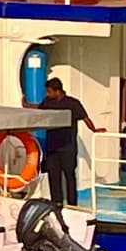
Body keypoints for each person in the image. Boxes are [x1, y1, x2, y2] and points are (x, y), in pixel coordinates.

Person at [27, 77, 103, 207]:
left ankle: (73, 204)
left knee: (69, 175)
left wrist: (94, 130)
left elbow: (85, 118)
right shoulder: (47, 102)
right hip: (52, 146)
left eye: (49, 91)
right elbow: (38, 109)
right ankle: (56, 202)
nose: (47, 94)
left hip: (68, 146)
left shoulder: (73, 103)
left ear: (57, 91)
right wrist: (26, 105)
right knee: (53, 175)